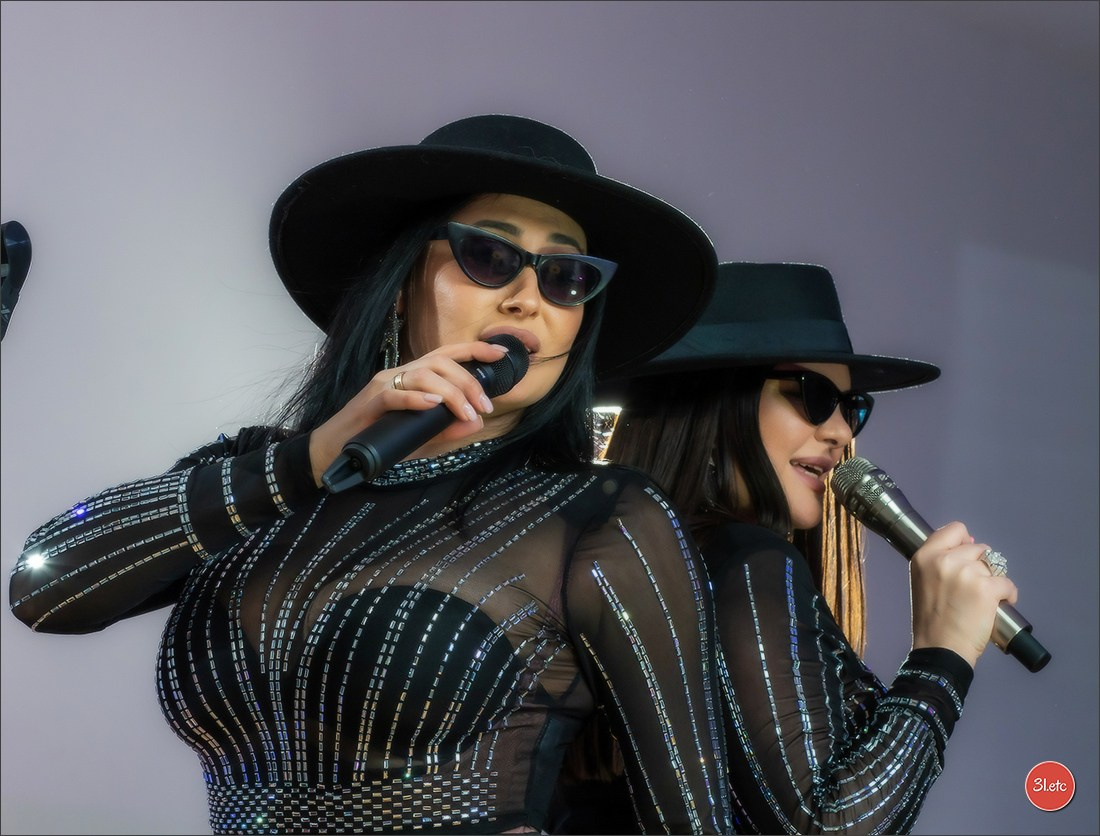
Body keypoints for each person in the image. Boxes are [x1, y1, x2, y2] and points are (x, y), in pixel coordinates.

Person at [9, 115, 732, 835]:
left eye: (567, 277)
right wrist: (309, 461)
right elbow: (43, 588)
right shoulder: (260, 472)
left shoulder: (598, 515)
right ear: (399, 284)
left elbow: (691, 817)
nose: (526, 298)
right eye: (489, 256)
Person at [595, 261, 1020, 834]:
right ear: (716, 401)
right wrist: (942, 656)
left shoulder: (642, 565)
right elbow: (823, 825)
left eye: (853, 406)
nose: (843, 432)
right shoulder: (748, 563)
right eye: (814, 395)